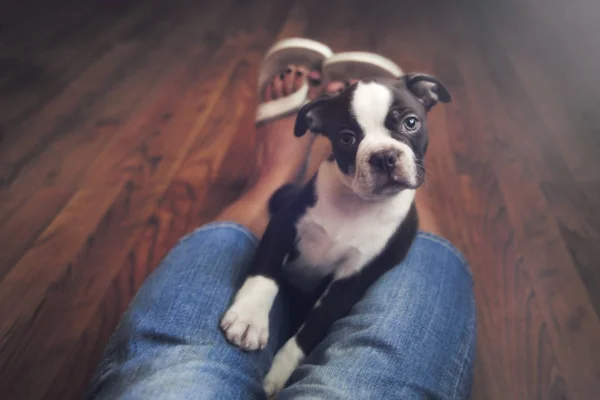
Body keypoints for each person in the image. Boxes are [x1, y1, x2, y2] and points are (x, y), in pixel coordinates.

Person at [86, 39, 476, 400]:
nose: (384, 153)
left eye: (407, 123)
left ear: (428, 100)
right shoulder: (322, 188)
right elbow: (285, 228)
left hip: (335, 286)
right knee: (288, 211)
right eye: (349, 137)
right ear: (317, 124)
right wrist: (261, 288)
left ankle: (274, 181)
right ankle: (274, 182)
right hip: (294, 258)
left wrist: (292, 356)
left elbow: (345, 292)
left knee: (178, 360)